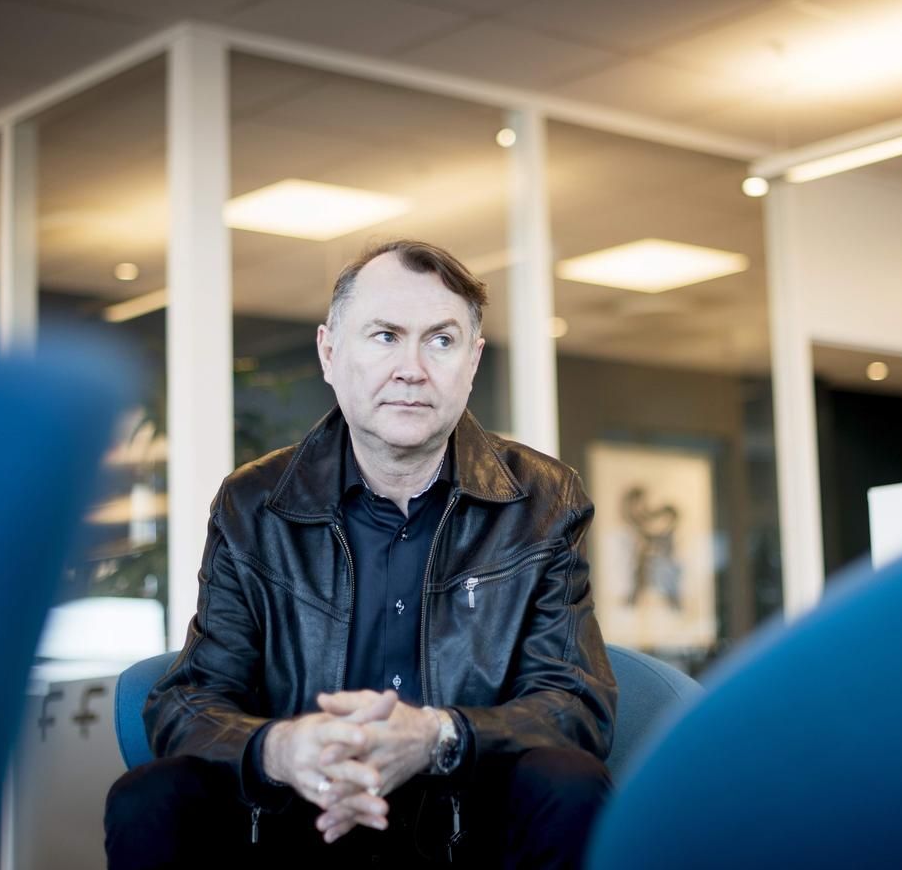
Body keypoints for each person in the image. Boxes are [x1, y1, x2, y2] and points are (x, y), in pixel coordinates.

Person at [105, 240, 617, 868]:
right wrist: (281, 749)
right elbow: (192, 698)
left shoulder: (543, 501)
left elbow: (574, 703)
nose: (411, 369)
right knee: (150, 797)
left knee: (569, 783)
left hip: (472, 819)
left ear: (473, 361)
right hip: (301, 818)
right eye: (385, 336)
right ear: (330, 352)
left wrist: (436, 737)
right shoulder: (253, 505)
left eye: (441, 340)